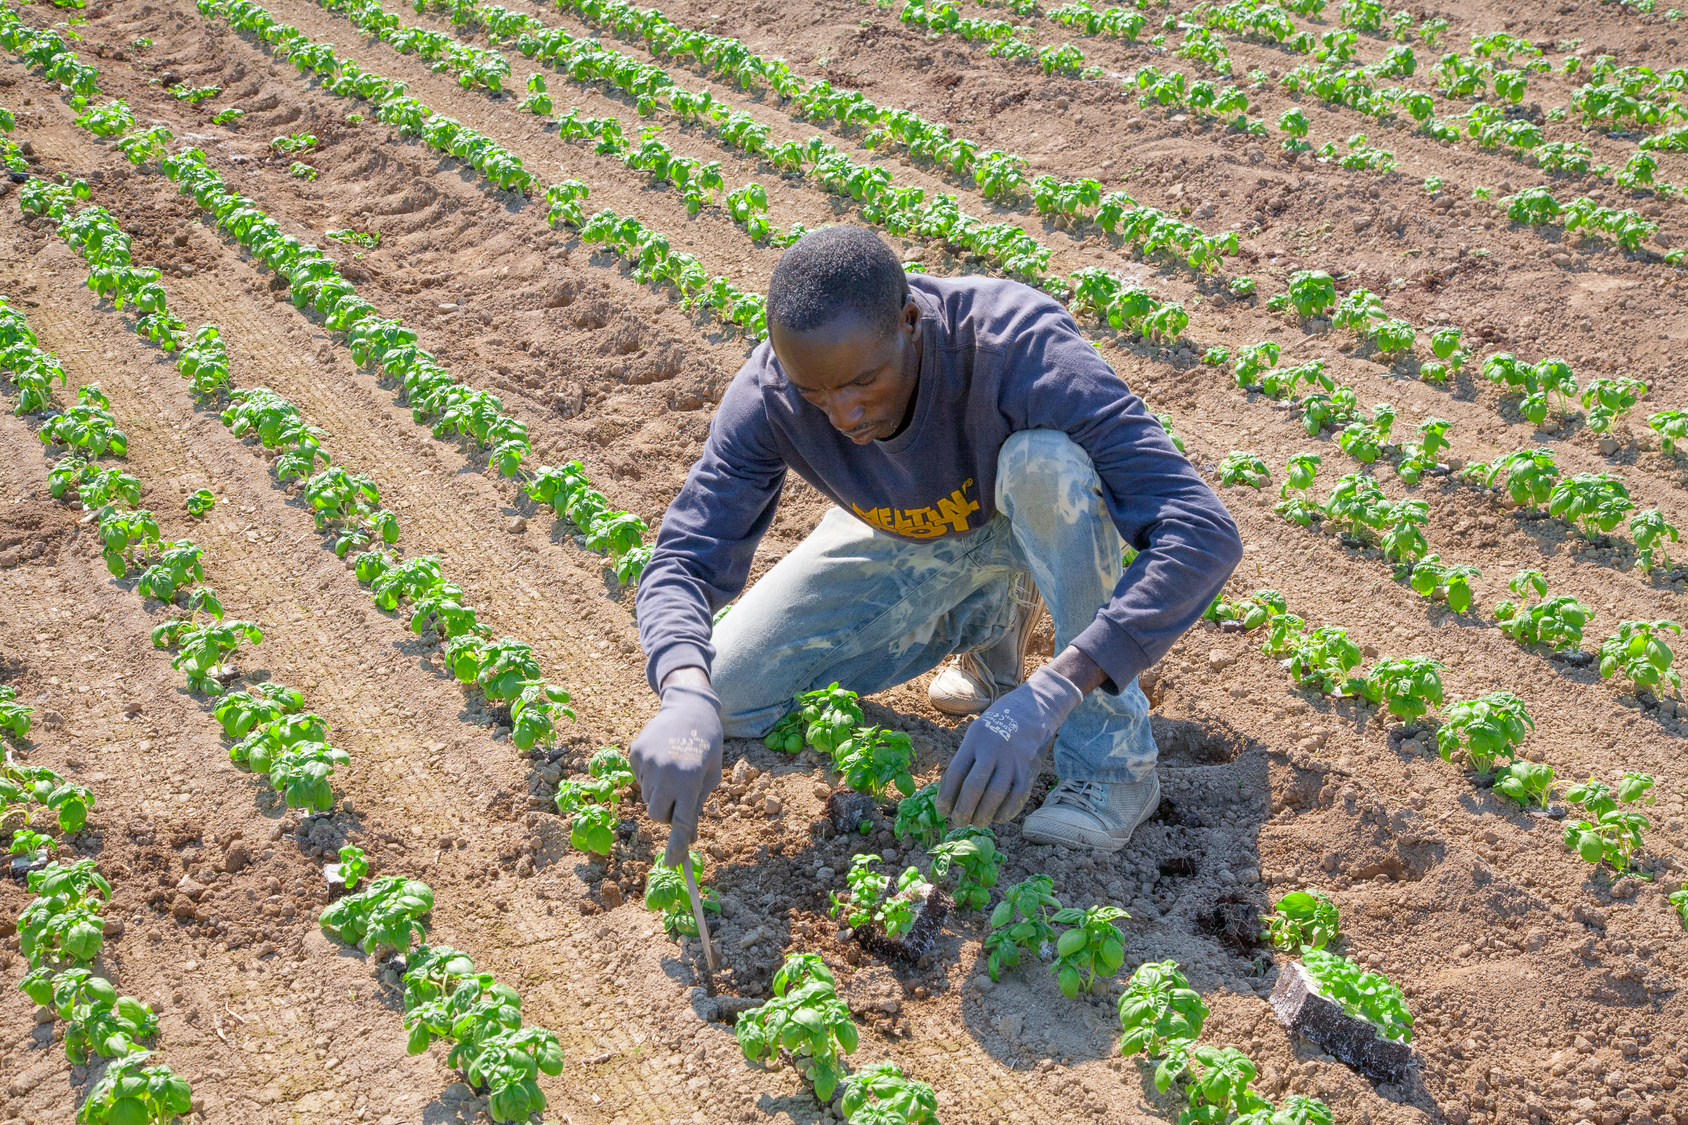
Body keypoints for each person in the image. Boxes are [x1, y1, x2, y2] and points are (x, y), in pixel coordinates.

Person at [629, 225, 1242, 857]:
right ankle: (992, 626)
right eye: (815, 392)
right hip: (906, 526)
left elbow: (1202, 531)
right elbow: (683, 557)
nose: (843, 415)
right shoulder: (769, 395)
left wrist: (1055, 691)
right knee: (728, 691)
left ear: (910, 321)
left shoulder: (1018, 347)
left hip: (1035, 518)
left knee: (1046, 465)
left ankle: (1111, 767)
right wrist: (682, 686)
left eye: (862, 382)